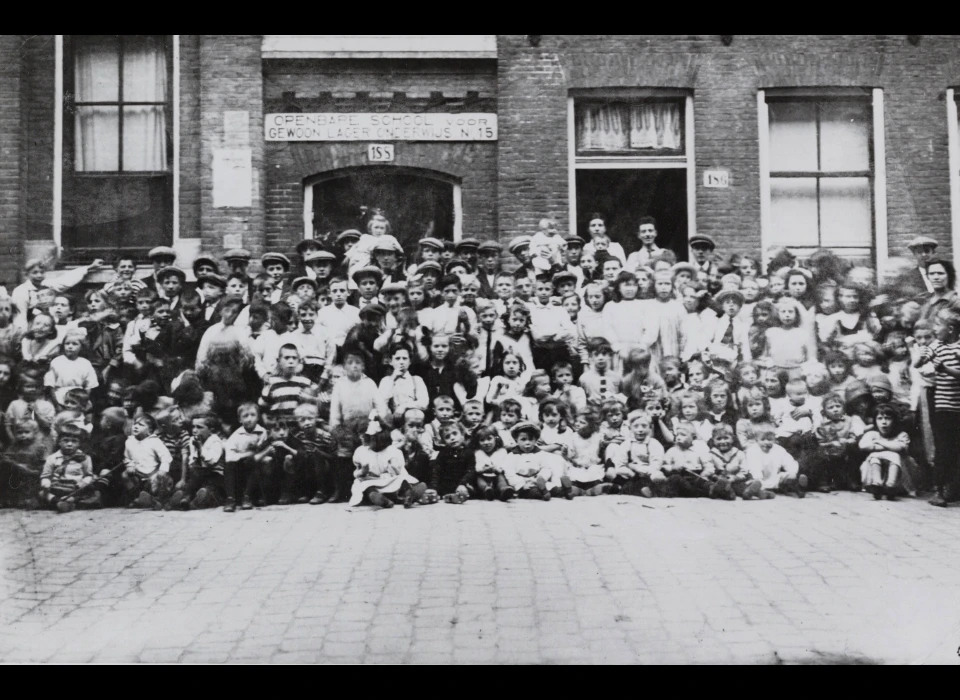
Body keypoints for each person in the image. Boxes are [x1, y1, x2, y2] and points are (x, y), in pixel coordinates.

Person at [223, 403, 268, 512]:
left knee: (254, 462)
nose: (249, 419)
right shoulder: (235, 436)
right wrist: (247, 454)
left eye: (252, 415)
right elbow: (229, 457)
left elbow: (263, 451)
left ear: (258, 417)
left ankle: (247, 497)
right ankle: (230, 498)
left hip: (256, 469)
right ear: (240, 419)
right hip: (239, 469)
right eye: (245, 416)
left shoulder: (262, 432)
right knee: (229, 466)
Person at [122, 413, 174, 509]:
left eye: (141, 425)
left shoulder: (154, 441)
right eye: (135, 424)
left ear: (149, 431)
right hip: (138, 472)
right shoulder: (129, 441)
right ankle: (137, 498)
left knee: (160, 480)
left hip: (153, 472)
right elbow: (127, 457)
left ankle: (157, 500)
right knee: (125, 475)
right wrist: (130, 465)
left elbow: (166, 457)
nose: (136, 426)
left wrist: (163, 469)